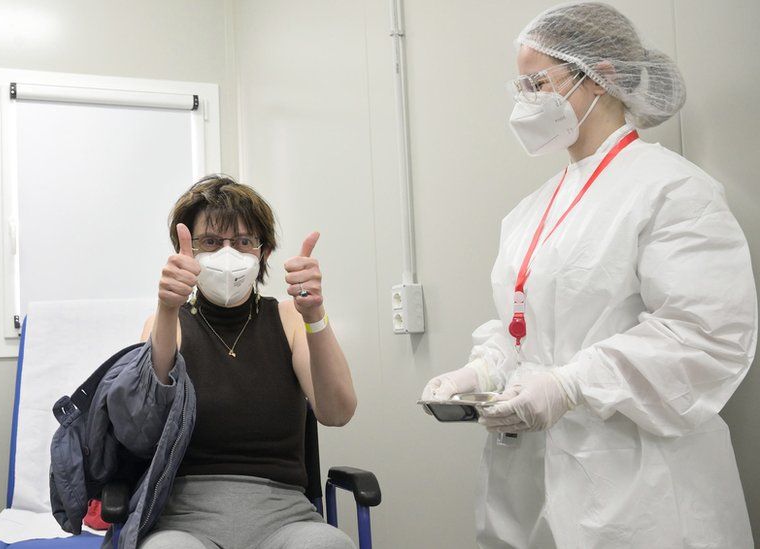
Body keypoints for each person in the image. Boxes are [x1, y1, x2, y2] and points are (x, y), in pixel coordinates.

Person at [421, 3, 756, 548]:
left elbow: (706, 334)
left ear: (601, 76)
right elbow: (528, 327)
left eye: (538, 82)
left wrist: (572, 383)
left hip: (640, 484)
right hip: (533, 481)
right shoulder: (533, 208)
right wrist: (486, 369)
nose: (525, 100)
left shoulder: (671, 190)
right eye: (520, 85)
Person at [138, 174, 357, 549]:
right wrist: (166, 308)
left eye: (242, 242)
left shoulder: (289, 319)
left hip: (285, 517)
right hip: (185, 519)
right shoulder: (168, 323)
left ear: (264, 252)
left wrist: (315, 314)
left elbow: (336, 412)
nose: (228, 254)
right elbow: (143, 421)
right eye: (211, 241)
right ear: (186, 252)